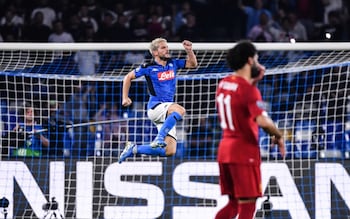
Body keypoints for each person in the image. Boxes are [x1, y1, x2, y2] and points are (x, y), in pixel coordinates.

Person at [215, 40, 285, 219]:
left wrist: (252, 81)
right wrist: (278, 135)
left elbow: (241, 102)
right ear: (250, 60)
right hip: (244, 152)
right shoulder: (249, 90)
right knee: (248, 206)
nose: (259, 62)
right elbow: (262, 120)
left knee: (233, 204)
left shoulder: (223, 83)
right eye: (257, 58)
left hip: (225, 150)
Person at [118, 37, 198, 163]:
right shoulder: (148, 67)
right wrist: (125, 97)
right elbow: (128, 77)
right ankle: (159, 138)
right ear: (155, 52)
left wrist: (189, 51)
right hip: (156, 107)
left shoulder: (173, 63)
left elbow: (193, 64)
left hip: (166, 112)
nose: (167, 49)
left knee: (170, 150)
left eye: (167, 47)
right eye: (163, 47)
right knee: (180, 110)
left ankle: (134, 149)